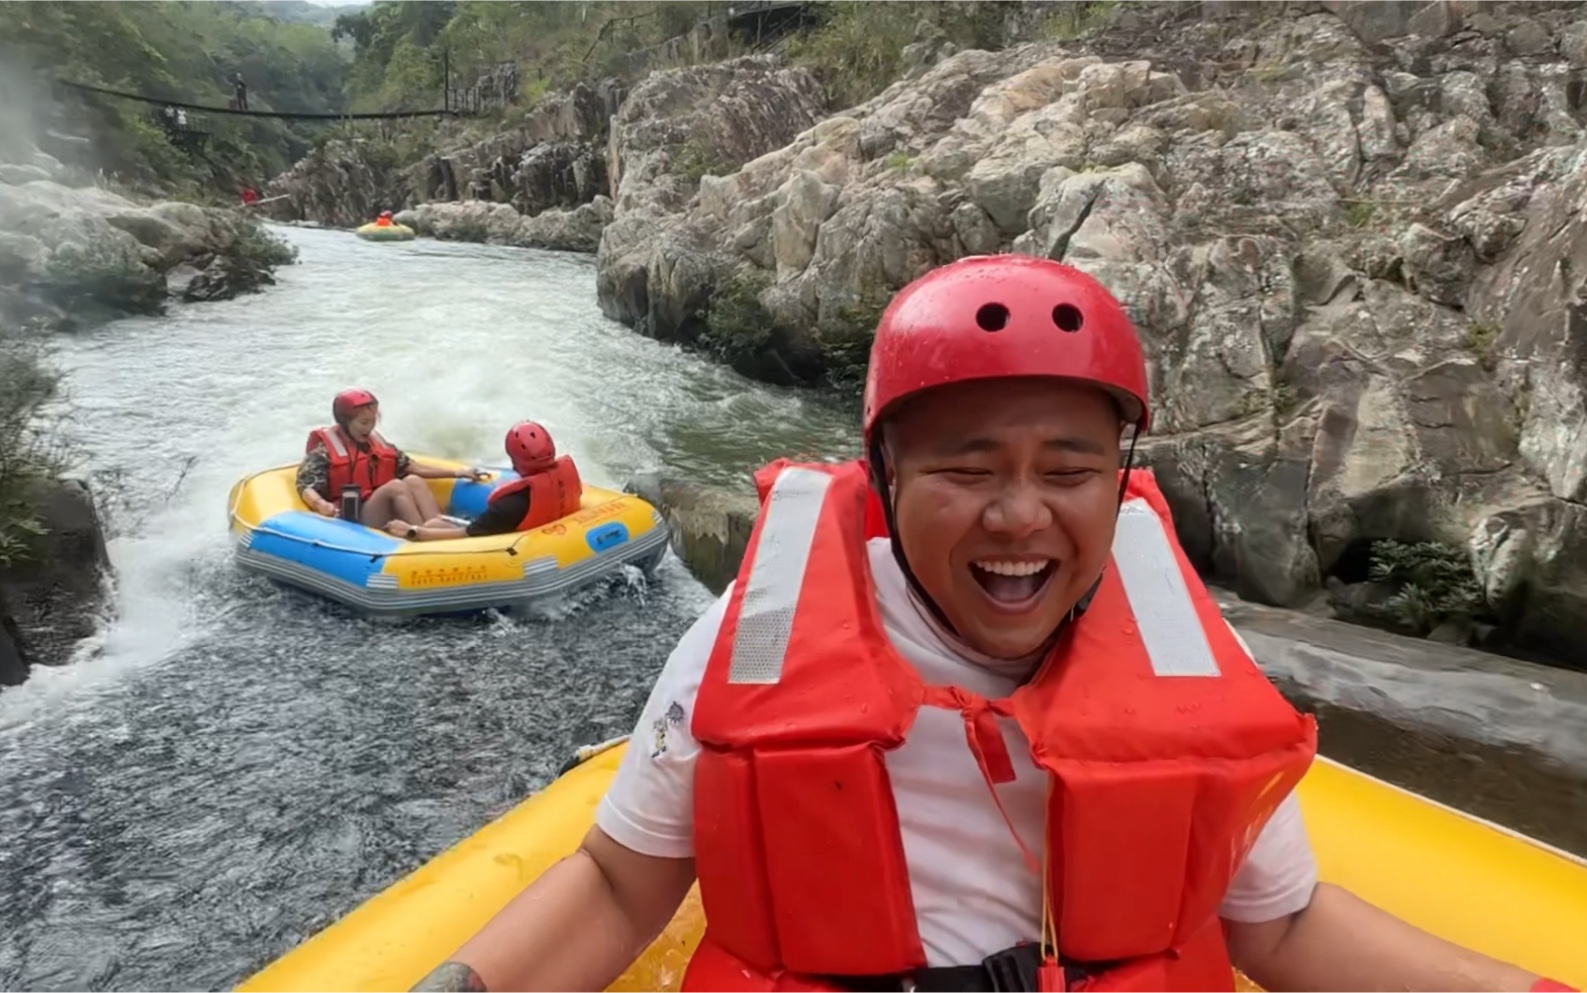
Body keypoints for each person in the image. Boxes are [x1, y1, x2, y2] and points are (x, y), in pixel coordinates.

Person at [411, 257, 1574, 993]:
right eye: (968, 469)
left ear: (1120, 484)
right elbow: (622, 886)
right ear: (885, 474)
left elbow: (1279, 923)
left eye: (1069, 469)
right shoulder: (752, 643)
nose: (1021, 516)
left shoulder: (1172, 657)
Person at [296, 389, 483, 531]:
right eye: (363, 423)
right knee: (396, 486)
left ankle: (434, 526)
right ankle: (423, 535)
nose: (369, 428)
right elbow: (306, 486)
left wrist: (459, 472)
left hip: (381, 505)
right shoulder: (324, 453)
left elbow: (415, 469)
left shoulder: (377, 444)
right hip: (352, 515)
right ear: (345, 423)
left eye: (372, 421)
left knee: (413, 480)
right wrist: (321, 505)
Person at [386, 421, 583, 542]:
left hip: (502, 545)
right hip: (546, 533)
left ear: (514, 460)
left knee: (434, 525)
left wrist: (413, 532)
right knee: (417, 487)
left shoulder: (511, 504)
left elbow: (468, 534)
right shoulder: (568, 478)